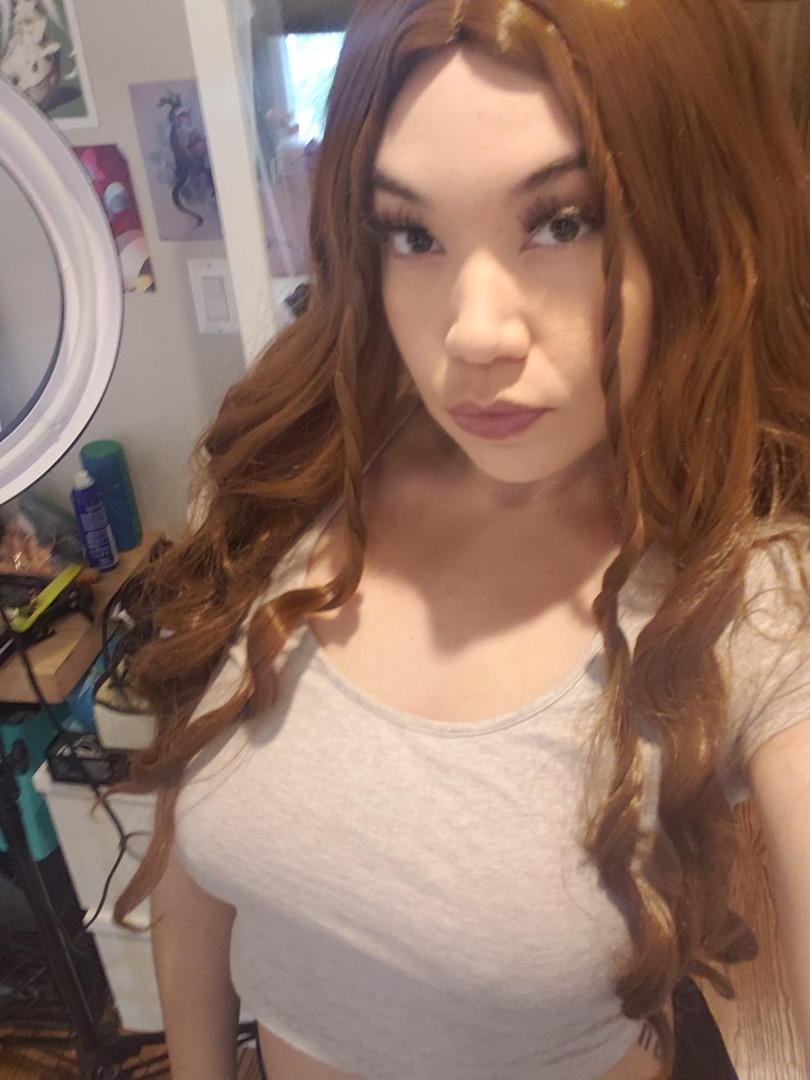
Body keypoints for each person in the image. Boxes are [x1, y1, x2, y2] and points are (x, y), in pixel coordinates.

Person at [111, 1, 810, 1078]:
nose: (474, 333)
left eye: (565, 221)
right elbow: (191, 858)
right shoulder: (298, 474)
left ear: (702, 225)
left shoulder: (752, 593)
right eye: (414, 234)